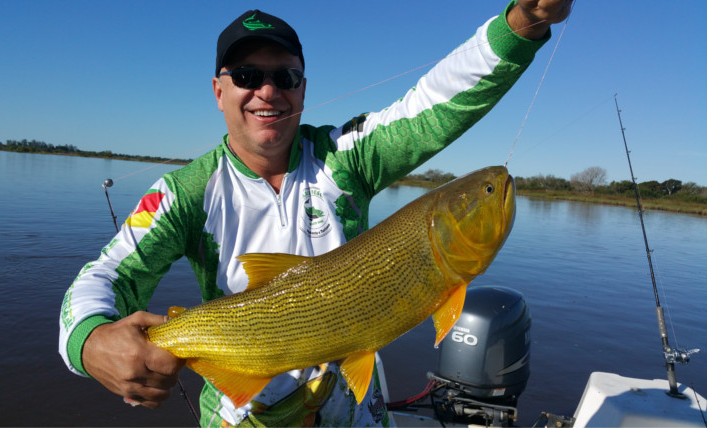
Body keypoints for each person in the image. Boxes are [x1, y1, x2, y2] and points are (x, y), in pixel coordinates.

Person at [59, 1, 572, 426]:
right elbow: (104, 277)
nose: (267, 90)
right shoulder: (184, 194)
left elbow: (434, 102)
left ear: (303, 89)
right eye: (247, 75)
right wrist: (91, 343)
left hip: (357, 412)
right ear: (219, 91)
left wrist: (521, 23)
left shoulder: (345, 157)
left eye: (285, 76)